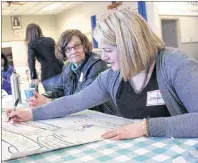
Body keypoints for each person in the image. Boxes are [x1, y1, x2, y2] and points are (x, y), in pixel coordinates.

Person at [7, 9, 198, 139]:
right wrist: (31, 113)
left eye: (108, 49)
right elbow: (75, 101)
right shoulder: (112, 76)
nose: (104, 57)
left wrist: (145, 128)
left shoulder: (176, 64)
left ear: (129, 46)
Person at [28, 29, 117, 115]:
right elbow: (58, 90)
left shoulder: (97, 64)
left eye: (77, 46)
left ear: (84, 45)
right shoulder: (67, 67)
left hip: (100, 115)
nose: (73, 51)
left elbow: (83, 99)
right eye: (68, 49)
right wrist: (42, 97)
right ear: (64, 52)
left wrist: (49, 102)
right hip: (79, 115)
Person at [25, 23, 64, 92]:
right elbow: (58, 54)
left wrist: (34, 77)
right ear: (39, 30)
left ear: (28, 34)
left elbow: (31, 61)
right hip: (62, 71)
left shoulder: (31, 44)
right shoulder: (50, 40)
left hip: (48, 75)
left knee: (53, 100)